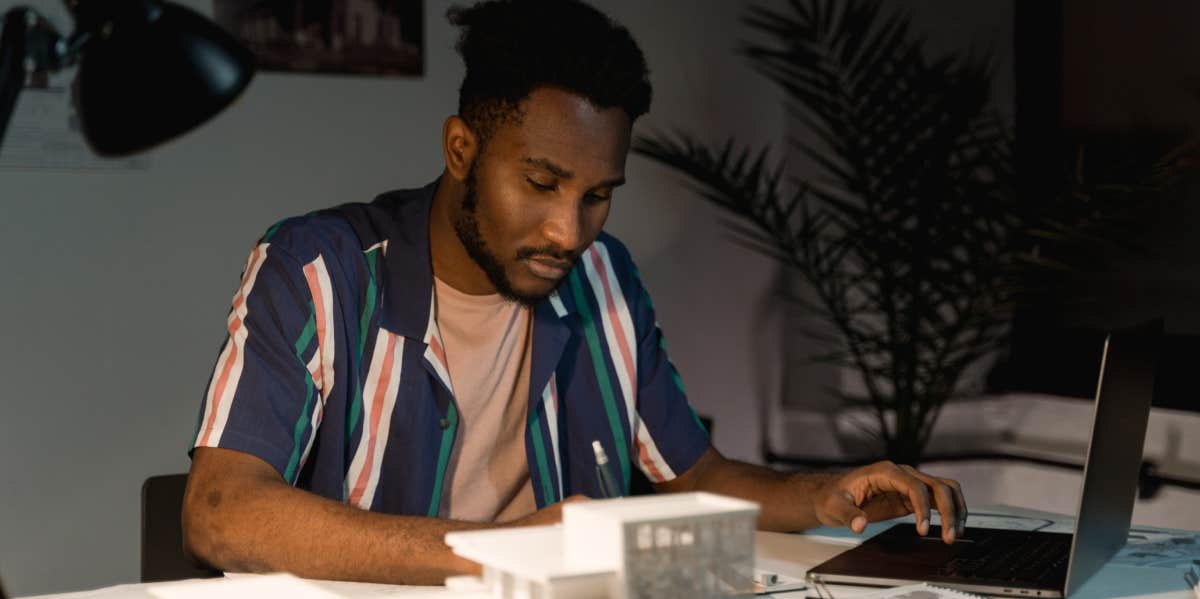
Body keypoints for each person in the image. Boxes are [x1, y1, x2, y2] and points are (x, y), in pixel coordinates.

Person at [182, 0, 967, 586]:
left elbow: (694, 478)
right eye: (541, 182)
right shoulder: (318, 270)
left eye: (598, 194)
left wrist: (825, 495)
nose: (568, 230)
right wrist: (509, 546)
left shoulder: (605, 279)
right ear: (462, 149)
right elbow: (221, 511)